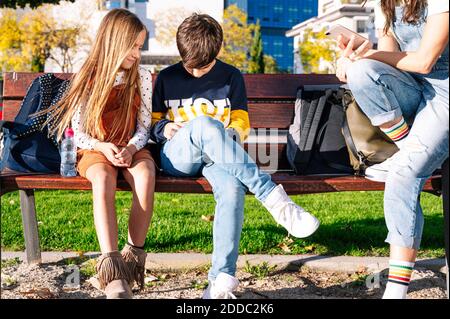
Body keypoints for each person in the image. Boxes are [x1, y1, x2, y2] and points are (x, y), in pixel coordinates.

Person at [150, 13, 320, 299]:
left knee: (231, 188)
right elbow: (152, 125)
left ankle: (221, 281)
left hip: (219, 158)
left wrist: (223, 139)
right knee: (204, 124)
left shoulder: (231, 77)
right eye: (188, 65)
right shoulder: (167, 78)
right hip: (178, 156)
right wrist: (165, 127)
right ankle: (273, 198)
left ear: (216, 53)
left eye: (201, 67)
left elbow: (241, 123)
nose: (193, 72)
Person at [335, 0, 448, 298]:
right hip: (412, 88)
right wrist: (351, 60)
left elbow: (425, 61)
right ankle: (407, 148)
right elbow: (391, 57)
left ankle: (396, 291)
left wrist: (366, 53)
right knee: (361, 72)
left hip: (445, 93)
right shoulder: (383, 2)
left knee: (402, 175)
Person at [45, 9, 155, 299]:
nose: (137, 53)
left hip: (132, 145)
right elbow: (78, 132)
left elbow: (145, 126)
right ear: (114, 41)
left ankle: (131, 262)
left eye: (140, 47)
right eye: (132, 46)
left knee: (145, 175)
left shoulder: (142, 76)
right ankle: (112, 271)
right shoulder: (88, 75)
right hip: (96, 148)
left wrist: (132, 147)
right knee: (103, 179)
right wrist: (103, 147)